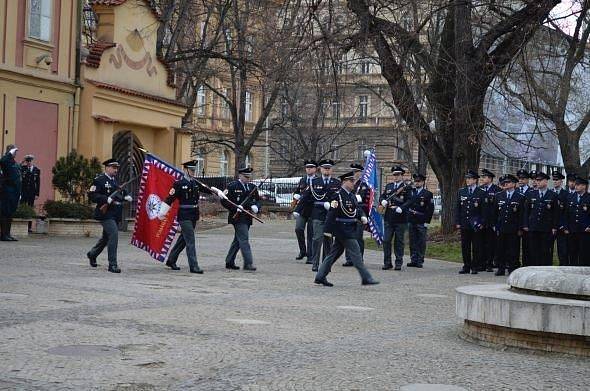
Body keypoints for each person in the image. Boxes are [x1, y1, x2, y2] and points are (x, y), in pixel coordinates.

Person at [314, 171, 379, 287]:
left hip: (349, 228)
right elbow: (331, 214)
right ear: (344, 182)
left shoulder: (352, 196)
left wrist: (363, 216)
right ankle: (366, 277)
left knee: (333, 254)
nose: (353, 183)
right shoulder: (337, 196)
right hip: (342, 230)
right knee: (356, 253)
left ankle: (320, 276)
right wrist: (327, 231)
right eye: (351, 181)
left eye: (353, 181)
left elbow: (357, 209)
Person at [158, 160, 213, 274]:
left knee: (184, 239)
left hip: (194, 214)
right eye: (191, 170)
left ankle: (171, 260)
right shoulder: (179, 183)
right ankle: (194, 266)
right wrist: (162, 211)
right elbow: (170, 198)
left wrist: (218, 192)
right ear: (186, 170)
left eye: (194, 170)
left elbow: (208, 191)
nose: (193, 172)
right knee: (190, 240)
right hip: (184, 214)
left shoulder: (195, 183)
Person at [87, 159, 133, 273]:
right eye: (113, 167)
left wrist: (126, 196)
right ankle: (112, 264)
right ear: (107, 168)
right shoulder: (99, 180)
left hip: (115, 213)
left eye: (116, 168)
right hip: (105, 213)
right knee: (113, 234)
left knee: (106, 238)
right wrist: (105, 199)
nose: (115, 170)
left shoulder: (115, 181)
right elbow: (92, 195)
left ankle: (92, 254)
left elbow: (119, 192)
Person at [294, 159, 341, 272]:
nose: (326, 170)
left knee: (328, 240)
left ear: (331, 170)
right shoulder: (315, 182)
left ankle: (326, 263)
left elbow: (339, 199)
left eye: (329, 168)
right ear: (320, 169)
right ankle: (315, 263)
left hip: (330, 215)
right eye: (325, 168)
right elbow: (306, 197)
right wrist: (298, 209)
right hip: (318, 214)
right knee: (317, 239)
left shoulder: (336, 183)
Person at [215, 167, 261, 271]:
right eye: (246, 177)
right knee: (244, 239)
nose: (248, 179)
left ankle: (229, 261)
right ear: (240, 176)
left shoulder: (252, 187)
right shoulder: (232, 186)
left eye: (249, 177)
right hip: (237, 217)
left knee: (238, 240)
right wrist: (235, 207)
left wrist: (257, 207)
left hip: (247, 217)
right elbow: (224, 200)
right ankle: (248, 263)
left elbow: (257, 200)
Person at [522, 171, 558, 266]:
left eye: (539, 180)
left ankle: (545, 268)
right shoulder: (531, 194)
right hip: (533, 227)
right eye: (536, 180)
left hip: (546, 227)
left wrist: (554, 227)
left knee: (545, 250)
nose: (537, 182)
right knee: (533, 249)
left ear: (546, 181)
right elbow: (526, 211)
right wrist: (525, 224)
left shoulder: (553, 195)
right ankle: (534, 268)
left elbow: (555, 213)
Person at [379, 166, 412, 270]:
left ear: (402, 176)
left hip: (400, 218)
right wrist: (382, 200)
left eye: (398, 175)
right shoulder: (389, 186)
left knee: (399, 242)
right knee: (386, 240)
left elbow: (410, 201)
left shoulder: (407, 187)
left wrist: (401, 208)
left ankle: (398, 263)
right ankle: (387, 262)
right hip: (389, 218)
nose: (396, 177)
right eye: (394, 175)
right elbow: (382, 196)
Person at [492, 175, 525, 276]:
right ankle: (501, 268)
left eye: (509, 182)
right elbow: (495, 213)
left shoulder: (520, 197)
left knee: (513, 249)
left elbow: (522, 214)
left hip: (513, 228)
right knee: (500, 248)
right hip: (501, 227)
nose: (505, 184)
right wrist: (495, 225)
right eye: (505, 182)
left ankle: (512, 268)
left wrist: (520, 228)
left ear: (514, 184)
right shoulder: (499, 196)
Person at [455, 170, 486, 274]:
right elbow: (458, 208)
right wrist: (458, 222)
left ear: (475, 180)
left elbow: (484, 210)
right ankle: (466, 266)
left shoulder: (481, 192)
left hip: (476, 224)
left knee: (476, 246)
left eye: (470, 178)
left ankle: (475, 266)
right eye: (467, 178)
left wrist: (482, 223)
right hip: (464, 223)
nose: (467, 180)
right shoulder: (461, 191)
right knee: (465, 246)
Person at [343, 163, 369, 267]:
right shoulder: (348, 184)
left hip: (358, 213)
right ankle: (349, 259)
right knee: (348, 236)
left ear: (360, 173)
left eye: (356, 172)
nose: (354, 174)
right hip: (348, 212)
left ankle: (359, 258)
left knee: (358, 237)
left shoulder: (363, 185)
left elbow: (364, 199)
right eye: (352, 172)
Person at [406, 173, 434, 268]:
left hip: (421, 220)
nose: (417, 183)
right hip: (412, 220)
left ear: (422, 182)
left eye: (419, 181)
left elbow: (430, 209)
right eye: (415, 181)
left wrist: (427, 221)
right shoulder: (411, 192)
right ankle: (413, 259)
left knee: (421, 241)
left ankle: (420, 260)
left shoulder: (427, 194)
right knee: (412, 241)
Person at [293, 160, 317, 262]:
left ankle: (310, 256)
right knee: (298, 229)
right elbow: (298, 191)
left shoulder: (318, 180)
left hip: (313, 209)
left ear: (315, 169)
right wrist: (296, 195)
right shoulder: (303, 180)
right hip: (302, 210)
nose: (309, 169)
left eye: (311, 167)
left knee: (311, 233)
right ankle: (303, 251)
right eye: (307, 167)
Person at [563, 176, 590, 266]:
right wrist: (566, 227)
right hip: (572, 231)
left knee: (584, 254)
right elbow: (566, 214)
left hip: (585, 231)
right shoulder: (570, 197)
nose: (576, 186)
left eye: (578, 185)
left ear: (584, 186)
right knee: (572, 253)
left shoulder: (588, 198)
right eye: (576, 184)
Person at [479, 169, 501, 272]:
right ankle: (481, 263)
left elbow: (496, 208)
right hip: (481, 221)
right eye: (482, 177)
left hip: (492, 221)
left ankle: (490, 263)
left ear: (490, 178)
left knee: (491, 243)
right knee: (481, 242)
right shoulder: (480, 189)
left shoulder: (497, 190)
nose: (482, 179)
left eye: (484, 177)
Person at [0, 145, 21, 241]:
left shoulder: (13, 162)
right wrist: (9, 153)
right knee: (5, 212)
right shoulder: (6, 160)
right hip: (7, 190)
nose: (16, 153)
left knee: (10, 213)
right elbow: (2, 161)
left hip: (14, 191)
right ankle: (4, 235)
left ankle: (8, 234)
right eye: (14, 151)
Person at [551, 171, 569, 266]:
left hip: (561, 227)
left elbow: (566, 212)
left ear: (561, 181)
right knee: (548, 249)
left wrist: (563, 225)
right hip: (551, 226)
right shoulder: (549, 193)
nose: (554, 181)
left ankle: (563, 266)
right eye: (553, 179)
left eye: (557, 180)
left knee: (562, 250)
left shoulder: (566, 194)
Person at [516, 169, 532, 268]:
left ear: (527, 180)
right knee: (515, 246)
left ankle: (527, 264)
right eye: (519, 179)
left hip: (527, 224)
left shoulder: (531, 191)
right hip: (516, 223)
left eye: (523, 179)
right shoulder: (516, 191)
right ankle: (515, 264)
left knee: (527, 246)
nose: (521, 181)